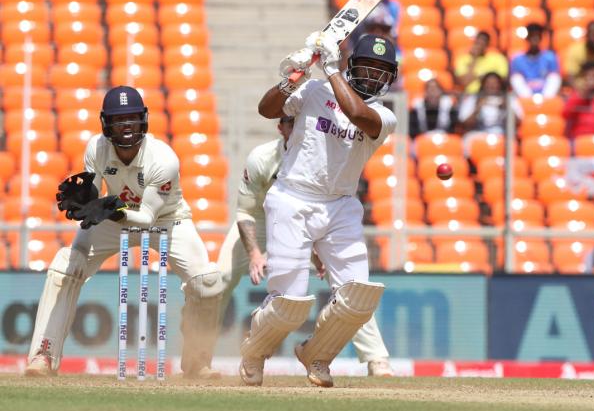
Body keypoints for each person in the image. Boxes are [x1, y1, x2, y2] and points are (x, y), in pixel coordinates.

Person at [24, 86, 224, 379]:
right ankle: (44, 354)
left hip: (167, 220)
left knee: (207, 281)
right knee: (66, 265)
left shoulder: (163, 159)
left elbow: (146, 217)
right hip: (113, 218)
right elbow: (94, 189)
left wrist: (110, 209)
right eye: (119, 119)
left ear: (143, 119)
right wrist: (87, 198)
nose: (126, 125)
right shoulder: (96, 147)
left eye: (131, 118)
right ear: (106, 123)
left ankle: (197, 362)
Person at [238, 32, 398, 388]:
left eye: (381, 71)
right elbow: (267, 110)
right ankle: (254, 350)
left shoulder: (383, 117)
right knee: (290, 303)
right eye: (368, 68)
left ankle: (317, 355)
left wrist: (328, 68)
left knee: (360, 295)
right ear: (353, 66)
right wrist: (292, 76)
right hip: (293, 198)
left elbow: (356, 113)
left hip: (340, 206)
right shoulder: (313, 91)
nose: (373, 76)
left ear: (390, 78)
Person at [217, 116, 393, 377]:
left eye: (302, 122)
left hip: (308, 217)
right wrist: (254, 253)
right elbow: (245, 211)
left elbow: (321, 211)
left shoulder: (326, 155)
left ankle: (375, 358)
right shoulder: (262, 158)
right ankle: (202, 354)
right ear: (281, 128)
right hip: (260, 219)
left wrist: (313, 248)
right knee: (220, 280)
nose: (298, 128)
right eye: (291, 123)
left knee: (354, 290)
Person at [458, 72, 521, 151]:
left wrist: (506, 107)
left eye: (495, 83)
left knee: (512, 142)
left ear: (500, 85)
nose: (491, 86)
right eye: (488, 83)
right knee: (467, 140)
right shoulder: (473, 99)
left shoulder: (509, 99)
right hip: (479, 133)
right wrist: (477, 108)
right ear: (483, 85)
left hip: (502, 133)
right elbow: (465, 124)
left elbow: (518, 122)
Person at [509, 23, 561, 100]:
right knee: (515, 78)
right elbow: (516, 81)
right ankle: (528, 101)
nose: (534, 39)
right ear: (527, 38)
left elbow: (554, 78)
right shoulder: (517, 59)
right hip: (525, 93)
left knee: (554, 77)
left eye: (537, 36)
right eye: (532, 36)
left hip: (546, 92)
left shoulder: (550, 57)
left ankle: (546, 101)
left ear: (541, 38)